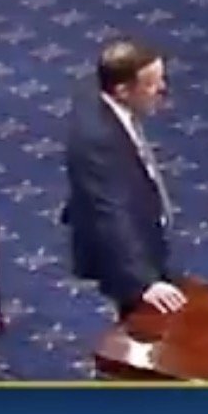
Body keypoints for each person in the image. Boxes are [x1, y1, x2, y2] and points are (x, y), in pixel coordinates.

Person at [64, 38, 185, 316]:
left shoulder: (99, 95)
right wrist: (144, 281)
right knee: (141, 317)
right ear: (122, 91)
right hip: (122, 250)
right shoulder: (99, 140)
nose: (163, 89)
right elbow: (111, 212)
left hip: (142, 221)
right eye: (152, 84)